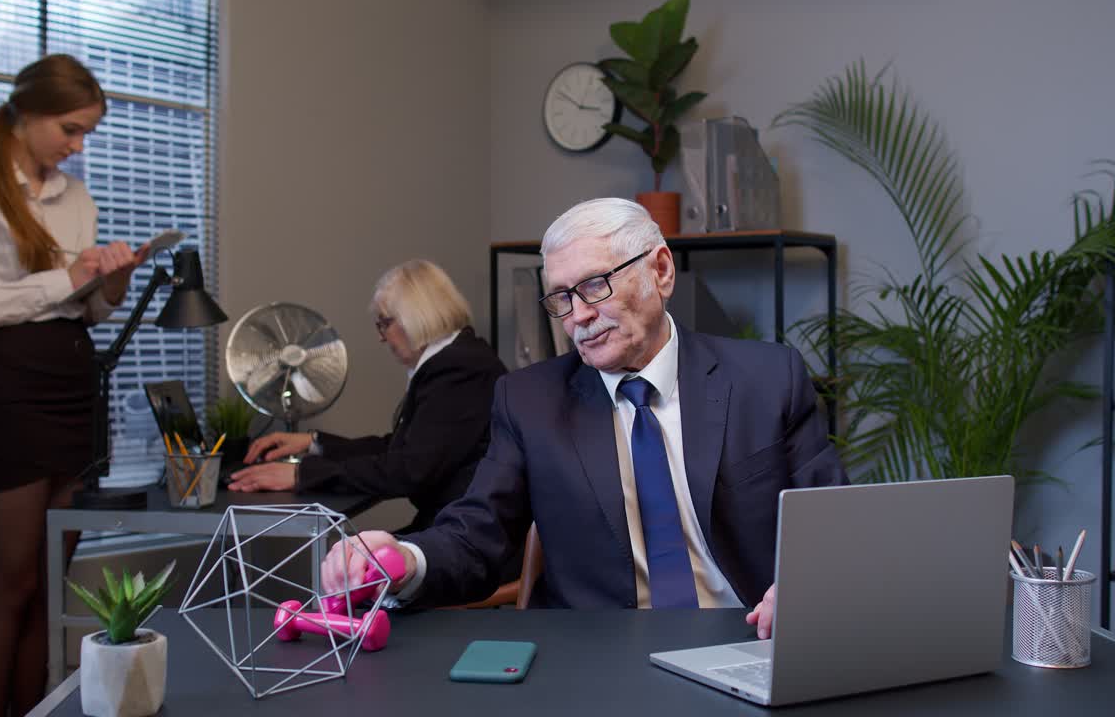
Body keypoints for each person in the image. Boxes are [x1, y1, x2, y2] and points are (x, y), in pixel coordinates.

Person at [321, 198, 848, 638]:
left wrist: (805, 587)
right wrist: (404, 558)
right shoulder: (530, 402)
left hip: (750, 637)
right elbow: (476, 536)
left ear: (661, 271)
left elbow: (834, 525)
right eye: (561, 298)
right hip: (599, 658)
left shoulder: (766, 379)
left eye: (595, 285)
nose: (578, 316)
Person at [0, 54, 147, 717]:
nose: (78, 146)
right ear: (26, 114)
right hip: (8, 394)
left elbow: (90, 310)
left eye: (87, 134)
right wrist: (64, 278)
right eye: (70, 129)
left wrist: (111, 282)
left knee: (51, 585)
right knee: (12, 583)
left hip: (74, 388)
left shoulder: (77, 197)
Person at [228, 259, 510, 536]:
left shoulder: (459, 371)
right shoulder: (458, 361)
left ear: (415, 316)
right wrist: (314, 444)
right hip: (451, 525)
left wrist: (301, 474)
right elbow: (401, 449)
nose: (381, 337)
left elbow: (410, 469)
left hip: (465, 537)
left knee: (344, 560)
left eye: (384, 323)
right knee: (345, 556)